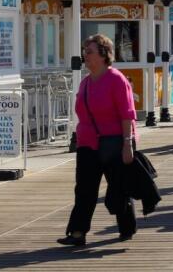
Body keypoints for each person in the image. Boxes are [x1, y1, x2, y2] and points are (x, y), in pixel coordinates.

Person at [59, 34, 137, 246]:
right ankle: (77, 232)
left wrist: (127, 143)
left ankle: (126, 228)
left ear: (103, 55)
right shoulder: (85, 83)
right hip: (88, 143)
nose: (86, 55)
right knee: (84, 189)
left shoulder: (116, 79)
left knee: (118, 189)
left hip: (114, 142)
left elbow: (127, 114)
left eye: (90, 51)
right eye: (85, 51)